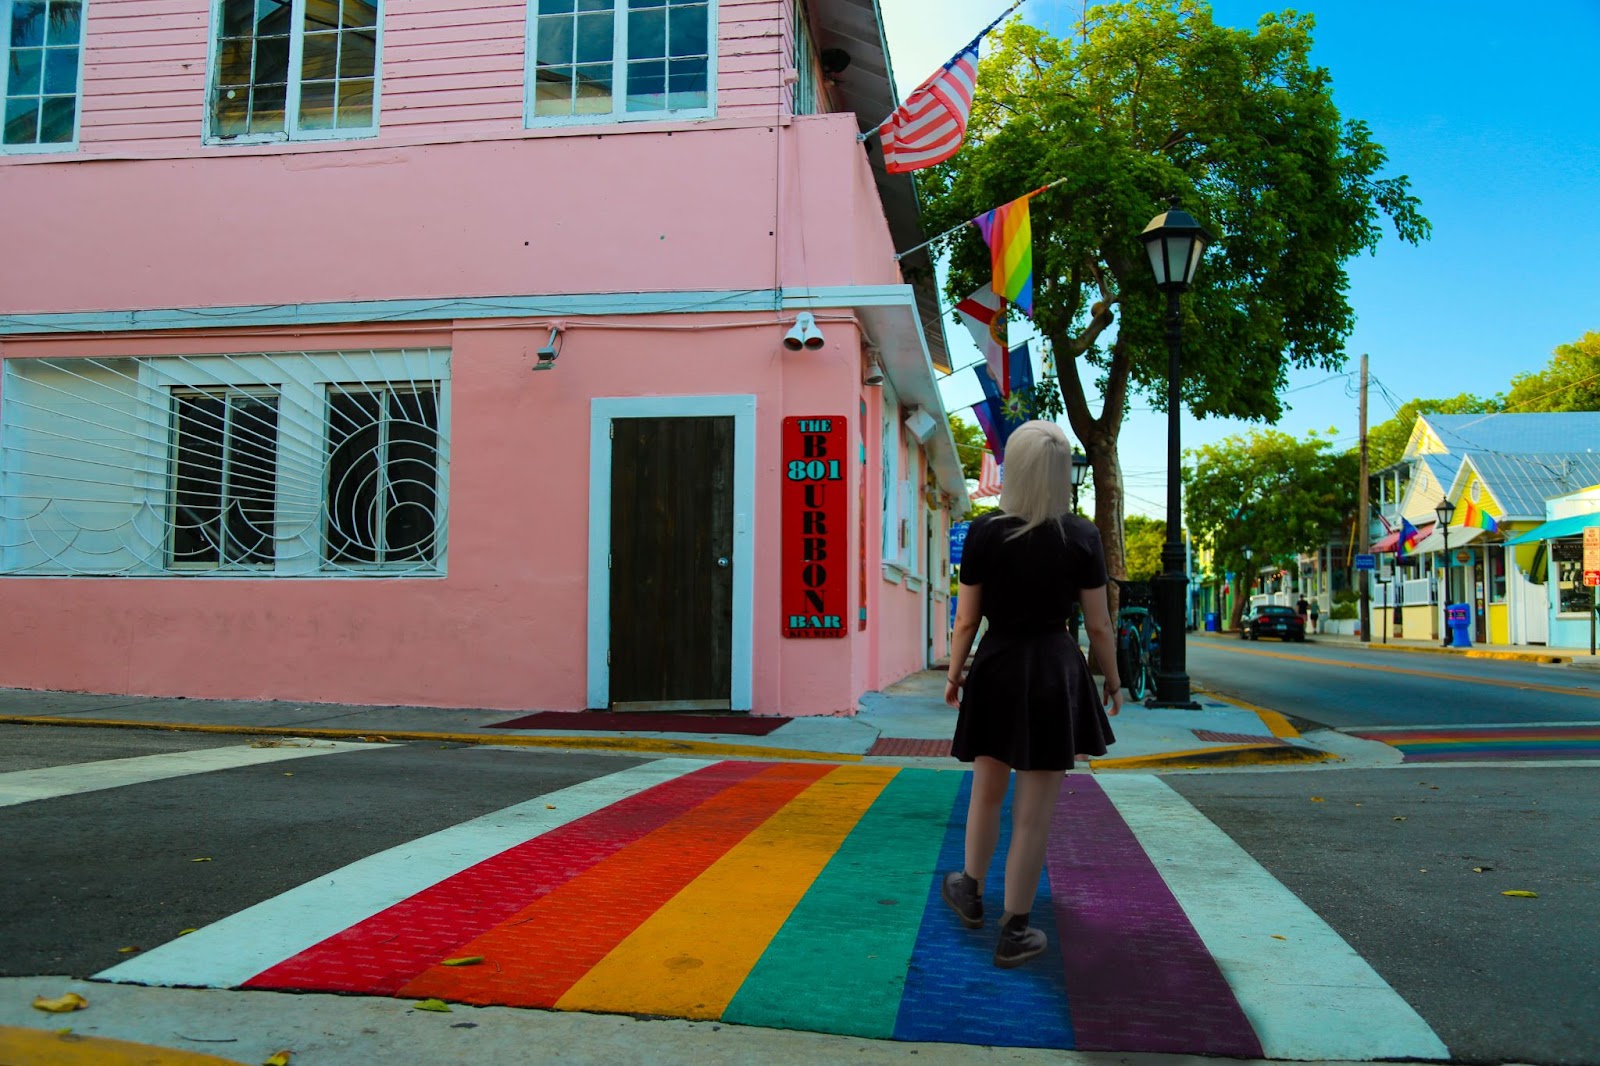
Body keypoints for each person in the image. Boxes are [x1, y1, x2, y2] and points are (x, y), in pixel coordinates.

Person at [941, 421, 1124, 969]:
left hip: (996, 666)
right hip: (1054, 671)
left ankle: (970, 891)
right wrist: (1112, 680)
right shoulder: (1083, 536)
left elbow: (966, 620)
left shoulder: (983, 532)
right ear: (1063, 472)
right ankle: (1015, 930)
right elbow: (1100, 628)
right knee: (1034, 815)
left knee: (986, 792)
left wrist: (954, 674)